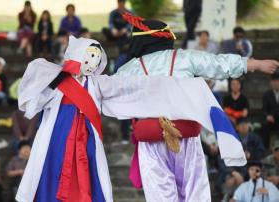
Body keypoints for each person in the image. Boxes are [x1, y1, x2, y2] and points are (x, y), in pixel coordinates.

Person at [15, 36, 246, 202]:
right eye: (89, 56)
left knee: (88, 180)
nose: (93, 62)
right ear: (77, 55)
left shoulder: (98, 83)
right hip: (58, 138)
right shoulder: (57, 81)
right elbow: (30, 97)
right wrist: (59, 75)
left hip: (85, 141)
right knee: (51, 173)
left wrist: (172, 85)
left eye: (97, 58)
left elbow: (130, 86)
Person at [116, 12, 279, 201]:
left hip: (152, 143)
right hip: (185, 139)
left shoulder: (128, 70)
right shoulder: (184, 58)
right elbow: (218, 63)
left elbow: (105, 91)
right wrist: (254, 64)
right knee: (195, 194)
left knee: (161, 197)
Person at [261, 73, 279, 148]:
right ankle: (265, 149)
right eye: (273, 81)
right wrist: (267, 116)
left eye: (277, 81)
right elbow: (264, 109)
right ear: (271, 83)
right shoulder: (266, 94)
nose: (275, 83)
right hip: (271, 119)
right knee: (265, 126)